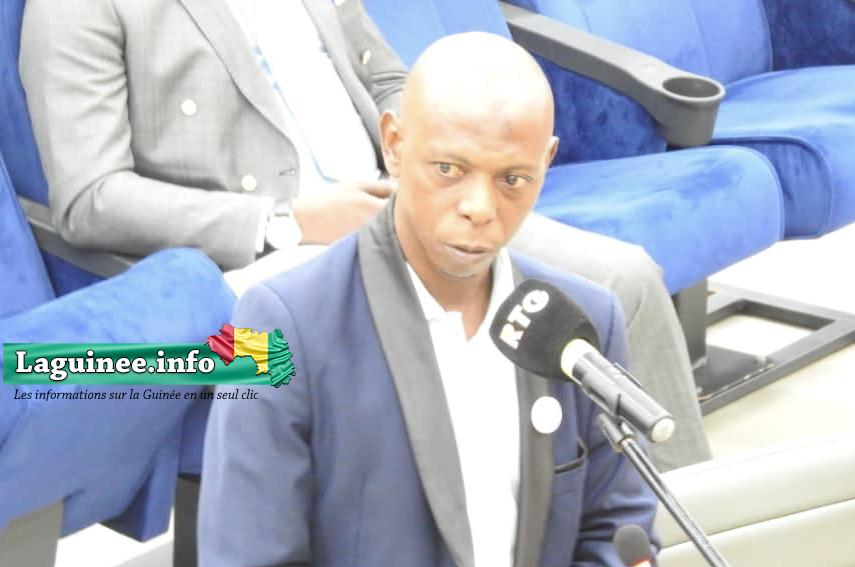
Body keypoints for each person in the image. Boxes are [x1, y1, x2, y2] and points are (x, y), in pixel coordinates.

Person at [20, 0, 710, 472]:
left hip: (410, 206)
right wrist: (288, 219)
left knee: (622, 283)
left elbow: (386, 78)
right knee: (418, 356)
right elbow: (90, 199)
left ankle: (689, 559)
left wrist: (428, 155)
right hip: (275, 258)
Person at [197, 32, 658, 567]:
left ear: (547, 161)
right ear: (393, 143)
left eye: (513, 179)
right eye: (449, 168)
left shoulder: (584, 321)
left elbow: (623, 542)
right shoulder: (269, 324)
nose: (480, 206)